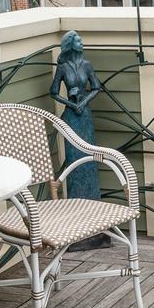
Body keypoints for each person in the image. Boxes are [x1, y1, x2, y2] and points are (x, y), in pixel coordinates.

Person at [51, 30, 102, 203]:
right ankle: (77, 202)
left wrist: (83, 102)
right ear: (70, 45)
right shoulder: (63, 68)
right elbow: (53, 92)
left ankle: (93, 201)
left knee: (90, 156)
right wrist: (72, 103)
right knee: (74, 159)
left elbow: (96, 87)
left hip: (85, 115)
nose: (82, 43)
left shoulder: (87, 65)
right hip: (71, 117)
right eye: (78, 41)